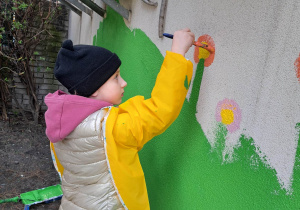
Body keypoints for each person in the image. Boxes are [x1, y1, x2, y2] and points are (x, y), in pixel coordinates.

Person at [45, 28, 195, 210]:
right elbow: (159, 109)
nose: (123, 82)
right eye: (116, 77)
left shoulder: (61, 125)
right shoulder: (113, 128)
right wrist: (178, 53)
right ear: (93, 88)